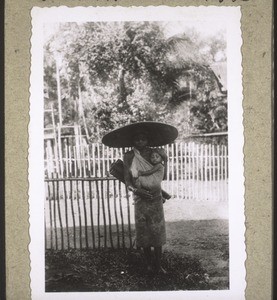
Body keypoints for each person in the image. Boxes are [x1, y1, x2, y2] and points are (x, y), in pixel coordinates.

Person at [123, 132, 168, 274]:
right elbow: (128, 180)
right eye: (137, 139)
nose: (140, 141)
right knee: (144, 230)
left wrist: (166, 161)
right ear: (132, 140)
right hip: (140, 197)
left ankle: (159, 265)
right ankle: (149, 264)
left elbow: (163, 175)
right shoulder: (129, 156)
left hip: (155, 197)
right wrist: (136, 191)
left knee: (157, 230)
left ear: (148, 139)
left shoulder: (153, 153)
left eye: (143, 138)